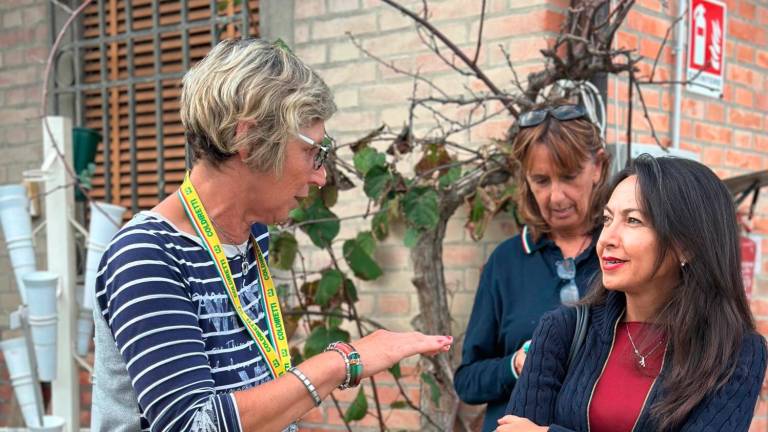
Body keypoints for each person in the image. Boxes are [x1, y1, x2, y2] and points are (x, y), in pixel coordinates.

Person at [90, 38, 452, 432]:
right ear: (247, 138)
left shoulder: (250, 238)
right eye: (315, 152)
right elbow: (193, 425)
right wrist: (343, 361)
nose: (321, 175)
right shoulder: (146, 254)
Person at [499, 155, 768, 432]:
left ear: (687, 246)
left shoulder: (735, 354)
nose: (606, 239)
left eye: (633, 220)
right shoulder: (562, 331)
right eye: (607, 219)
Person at [454, 102, 610, 432]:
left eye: (569, 177)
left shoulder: (617, 254)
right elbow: (467, 382)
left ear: (598, 166)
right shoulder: (507, 262)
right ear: (525, 178)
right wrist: (515, 364)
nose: (556, 196)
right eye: (541, 180)